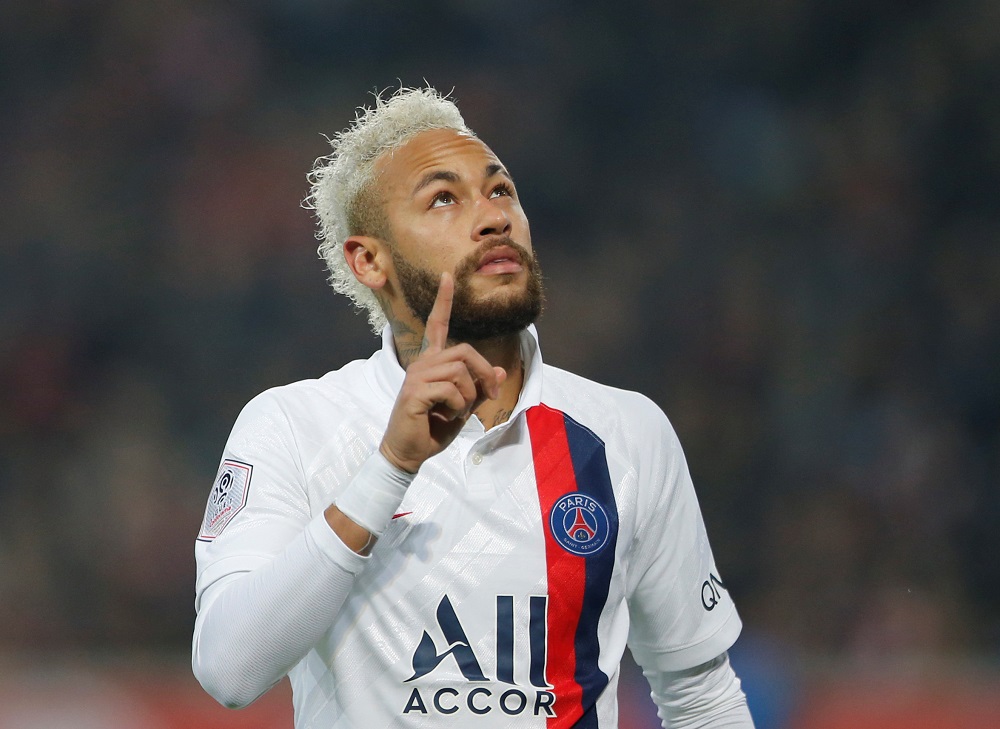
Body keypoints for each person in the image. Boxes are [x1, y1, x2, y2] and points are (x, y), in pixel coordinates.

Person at [192, 86, 755, 728]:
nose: (493, 217)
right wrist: (390, 469)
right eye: (442, 199)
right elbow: (229, 669)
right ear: (369, 259)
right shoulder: (295, 425)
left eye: (500, 190)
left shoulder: (627, 435)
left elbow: (701, 698)